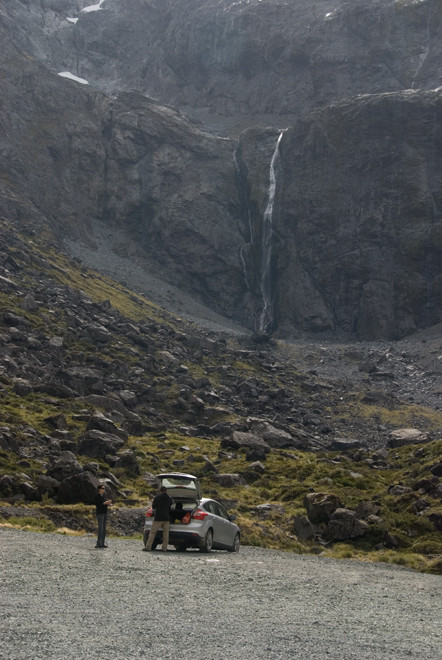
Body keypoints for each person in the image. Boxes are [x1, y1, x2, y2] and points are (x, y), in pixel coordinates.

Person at [143, 486, 173, 551]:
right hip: (166, 518)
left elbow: (153, 507)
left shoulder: (157, 497)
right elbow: (170, 506)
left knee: (153, 533)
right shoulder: (169, 498)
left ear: (160, 491)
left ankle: (148, 547)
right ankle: (164, 548)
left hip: (158, 518)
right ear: (166, 490)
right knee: (166, 534)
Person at [94, 484, 112, 548]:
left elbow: (104, 503)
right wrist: (105, 503)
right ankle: (98, 543)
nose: (104, 489)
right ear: (99, 489)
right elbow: (98, 504)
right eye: (103, 488)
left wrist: (108, 504)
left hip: (104, 513)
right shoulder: (97, 496)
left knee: (104, 529)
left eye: (104, 488)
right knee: (100, 528)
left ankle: (102, 543)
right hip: (100, 513)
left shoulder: (103, 496)